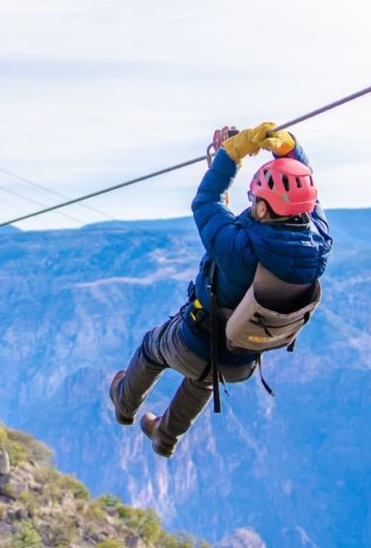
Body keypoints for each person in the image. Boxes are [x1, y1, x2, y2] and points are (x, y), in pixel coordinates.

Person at [109, 122, 333, 457]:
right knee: (204, 377)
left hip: (192, 343)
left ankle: (124, 405)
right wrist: (290, 151)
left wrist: (230, 157)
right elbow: (305, 194)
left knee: (152, 348)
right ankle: (166, 436)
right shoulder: (320, 244)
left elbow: (206, 201)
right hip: (242, 361)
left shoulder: (239, 248)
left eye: (256, 200)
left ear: (262, 207)